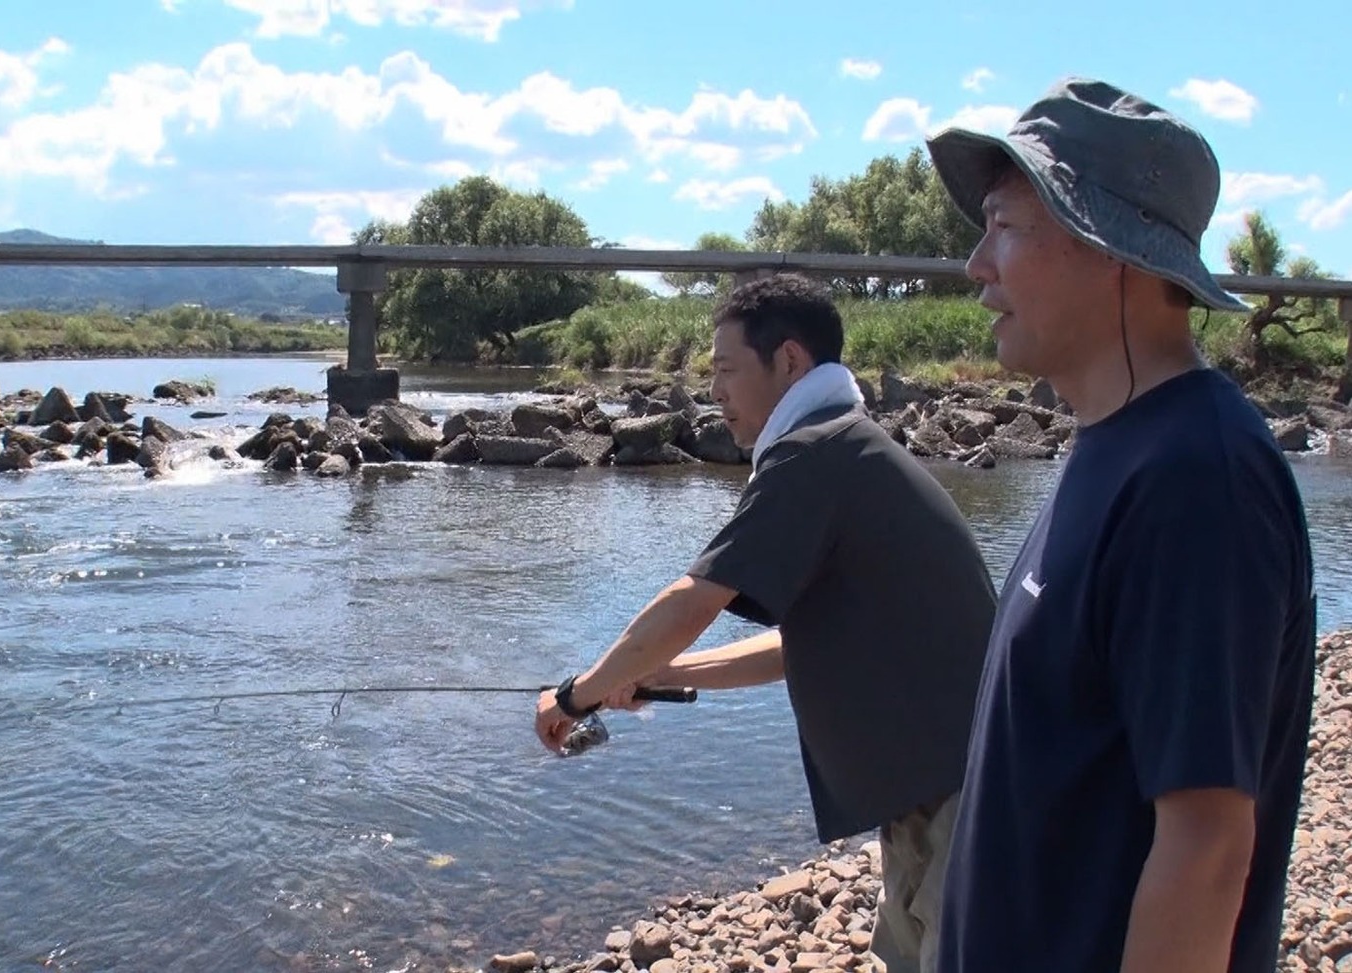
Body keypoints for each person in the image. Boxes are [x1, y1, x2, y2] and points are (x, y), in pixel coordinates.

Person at [923, 77, 1318, 973]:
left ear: (1114, 249)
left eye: (1008, 224)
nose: (977, 264)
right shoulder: (1115, 442)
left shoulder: (1196, 477)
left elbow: (1206, 849)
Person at [534, 273, 999, 973]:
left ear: (789, 361)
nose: (714, 390)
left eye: (726, 369)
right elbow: (796, 648)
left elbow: (694, 599)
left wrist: (576, 694)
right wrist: (650, 673)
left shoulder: (814, 450)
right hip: (936, 788)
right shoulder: (845, 443)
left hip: (961, 796)